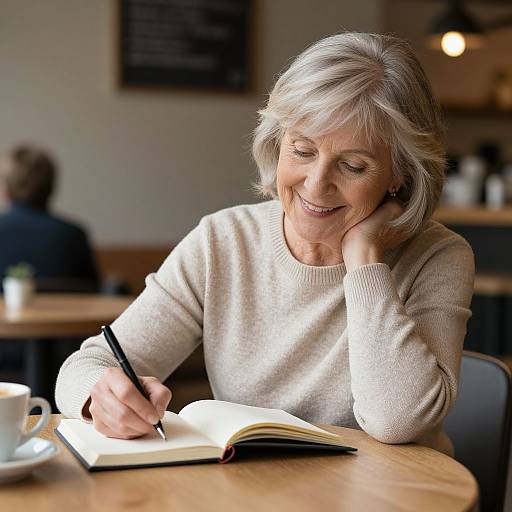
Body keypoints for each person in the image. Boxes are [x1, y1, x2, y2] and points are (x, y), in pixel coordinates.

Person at [55, 33, 474, 456]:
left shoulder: (439, 257)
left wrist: (364, 261)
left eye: (353, 165)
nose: (316, 184)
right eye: (302, 150)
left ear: (399, 175)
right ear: (278, 143)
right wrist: (100, 398)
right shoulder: (223, 241)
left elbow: (397, 420)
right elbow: (83, 368)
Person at [0, 145, 99, 374]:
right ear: (51, 187)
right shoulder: (74, 235)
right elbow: (95, 294)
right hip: (68, 357)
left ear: (6, 187)